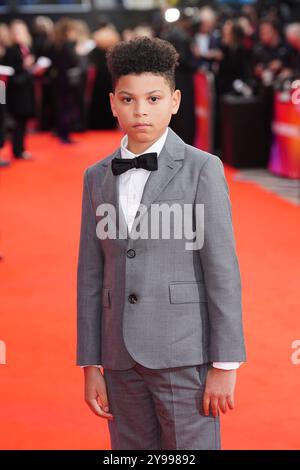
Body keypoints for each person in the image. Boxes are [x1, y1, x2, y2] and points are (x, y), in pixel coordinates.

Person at [76, 36, 246, 450]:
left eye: (153, 99)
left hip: (183, 352)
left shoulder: (202, 169)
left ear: (175, 101)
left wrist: (225, 363)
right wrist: (90, 362)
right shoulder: (96, 176)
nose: (141, 111)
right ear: (113, 102)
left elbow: (221, 268)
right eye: (129, 100)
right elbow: (90, 273)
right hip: (118, 355)